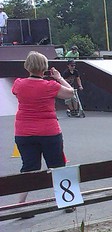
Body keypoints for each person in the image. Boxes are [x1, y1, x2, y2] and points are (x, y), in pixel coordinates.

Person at [12, 51, 75, 209]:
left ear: (27, 66)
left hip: (24, 132)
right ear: (45, 67)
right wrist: (59, 78)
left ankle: (21, 203)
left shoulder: (18, 84)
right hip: (49, 131)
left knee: (29, 167)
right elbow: (70, 93)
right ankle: (67, 201)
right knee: (57, 165)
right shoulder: (50, 86)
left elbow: (17, 93)